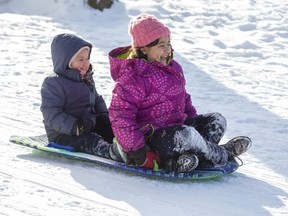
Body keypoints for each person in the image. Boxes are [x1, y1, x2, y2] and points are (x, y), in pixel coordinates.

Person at [108, 14, 252, 172]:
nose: (167, 50)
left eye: (168, 44)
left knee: (216, 120)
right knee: (186, 135)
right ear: (144, 49)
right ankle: (221, 154)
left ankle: (187, 159)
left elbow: (183, 98)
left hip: (177, 131)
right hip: (153, 140)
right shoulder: (133, 77)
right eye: (161, 45)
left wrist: (196, 127)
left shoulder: (173, 68)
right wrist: (138, 151)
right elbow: (121, 116)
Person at [40, 33, 121, 161]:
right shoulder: (53, 83)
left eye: (87, 58)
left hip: (88, 124)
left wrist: (105, 116)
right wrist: (75, 127)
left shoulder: (85, 77)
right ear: (66, 61)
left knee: (111, 128)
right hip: (64, 134)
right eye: (80, 60)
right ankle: (110, 152)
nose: (85, 64)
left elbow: (96, 99)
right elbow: (51, 113)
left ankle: (131, 147)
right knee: (91, 141)